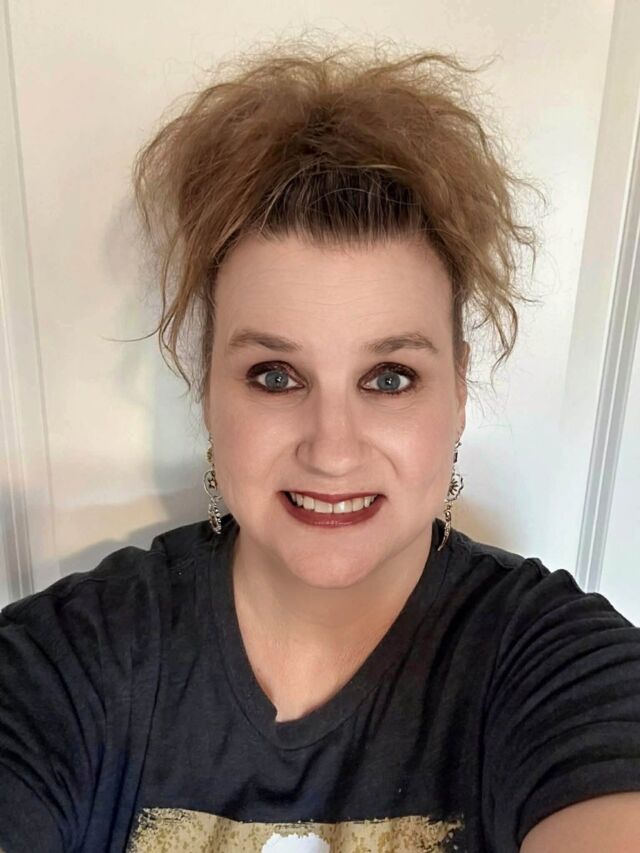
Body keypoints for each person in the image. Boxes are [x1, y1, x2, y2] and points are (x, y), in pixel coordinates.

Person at [1, 38, 639, 853]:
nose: (332, 450)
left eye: (389, 377)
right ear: (207, 390)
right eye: (274, 376)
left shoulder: (553, 666)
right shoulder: (67, 665)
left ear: (458, 390)